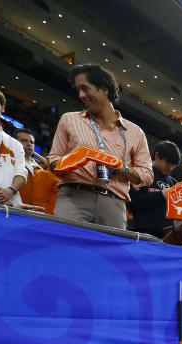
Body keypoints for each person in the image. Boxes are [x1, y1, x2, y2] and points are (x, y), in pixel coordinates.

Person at [48, 64, 153, 229]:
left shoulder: (135, 132)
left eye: (85, 89)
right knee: (63, 250)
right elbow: (54, 158)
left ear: (104, 89)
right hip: (73, 196)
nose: (80, 95)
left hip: (114, 203)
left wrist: (122, 167)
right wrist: (65, 163)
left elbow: (146, 175)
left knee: (110, 254)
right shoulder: (69, 120)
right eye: (78, 90)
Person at [126, 140, 181, 237]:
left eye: (174, 164)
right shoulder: (141, 175)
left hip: (167, 238)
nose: (171, 167)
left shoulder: (175, 184)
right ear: (157, 156)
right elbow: (133, 202)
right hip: (142, 233)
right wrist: (161, 195)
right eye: (168, 162)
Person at [14, 128, 59, 213]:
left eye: (32, 142)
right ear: (14, 141)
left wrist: (33, 152)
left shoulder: (38, 167)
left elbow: (49, 164)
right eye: (24, 141)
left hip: (36, 212)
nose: (29, 144)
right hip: (17, 209)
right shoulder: (10, 161)